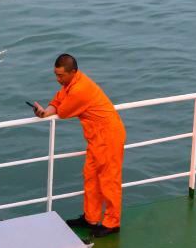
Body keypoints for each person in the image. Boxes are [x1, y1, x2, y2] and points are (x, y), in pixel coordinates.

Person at [32, 54, 126, 237]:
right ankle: (90, 218)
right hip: (96, 138)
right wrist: (44, 112)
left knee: (109, 180)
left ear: (72, 72)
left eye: (61, 75)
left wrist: (50, 111)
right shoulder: (71, 84)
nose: (58, 79)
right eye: (56, 75)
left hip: (109, 137)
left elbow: (63, 110)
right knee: (91, 177)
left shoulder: (79, 90)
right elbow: (57, 101)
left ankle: (112, 223)